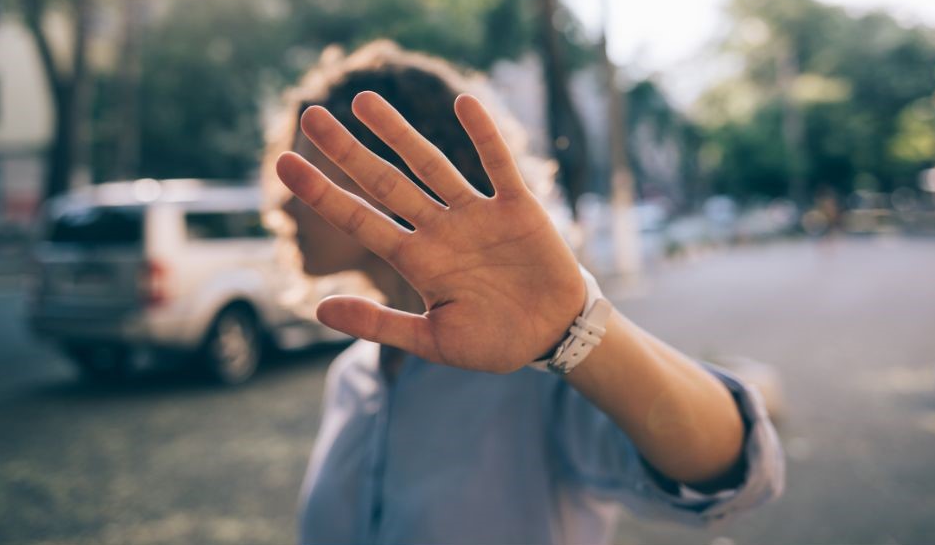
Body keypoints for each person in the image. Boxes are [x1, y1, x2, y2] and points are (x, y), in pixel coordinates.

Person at [265, 40, 784, 545]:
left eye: (309, 174)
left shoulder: (533, 365)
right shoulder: (353, 376)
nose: (283, 206)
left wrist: (571, 332)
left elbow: (736, 471)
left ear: (397, 176)